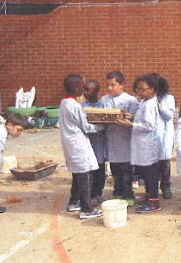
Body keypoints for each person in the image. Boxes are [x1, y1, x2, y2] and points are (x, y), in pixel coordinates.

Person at [116, 73, 167, 213]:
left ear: (152, 89)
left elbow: (149, 125)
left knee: (150, 174)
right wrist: (131, 117)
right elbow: (142, 119)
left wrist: (130, 124)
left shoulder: (150, 105)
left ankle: (154, 202)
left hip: (147, 146)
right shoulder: (145, 102)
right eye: (138, 89)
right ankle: (150, 197)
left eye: (143, 89)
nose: (140, 92)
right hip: (143, 146)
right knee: (146, 173)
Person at [59, 74, 104, 219]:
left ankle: (74, 202)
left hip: (71, 143)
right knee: (84, 176)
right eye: (83, 87)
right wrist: (102, 126)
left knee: (78, 173)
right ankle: (86, 209)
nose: (84, 90)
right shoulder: (74, 106)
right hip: (77, 144)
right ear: (77, 87)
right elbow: (86, 127)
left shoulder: (64, 103)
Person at [102, 70, 139, 205]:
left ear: (122, 85)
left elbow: (136, 117)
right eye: (108, 85)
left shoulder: (130, 100)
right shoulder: (104, 100)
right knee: (115, 170)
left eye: (113, 85)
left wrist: (126, 118)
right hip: (112, 139)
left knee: (127, 171)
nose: (110, 88)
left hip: (126, 140)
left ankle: (128, 194)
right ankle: (117, 193)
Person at [81, 80, 108, 205]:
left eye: (88, 90)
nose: (85, 92)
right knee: (89, 171)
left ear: (97, 92)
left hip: (100, 143)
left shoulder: (103, 105)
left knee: (100, 170)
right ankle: (90, 194)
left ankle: (98, 193)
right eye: (84, 89)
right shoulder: (81, 107)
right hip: (87, 142)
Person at [156, 77, 175, 200]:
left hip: (165, 136)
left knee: (165, 164)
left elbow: (169, 115)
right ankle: (151, 189)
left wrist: (160, 106)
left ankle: (165, 186)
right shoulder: (146, 100)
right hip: (151, 136)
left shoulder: (169, 99)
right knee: (152, 165)